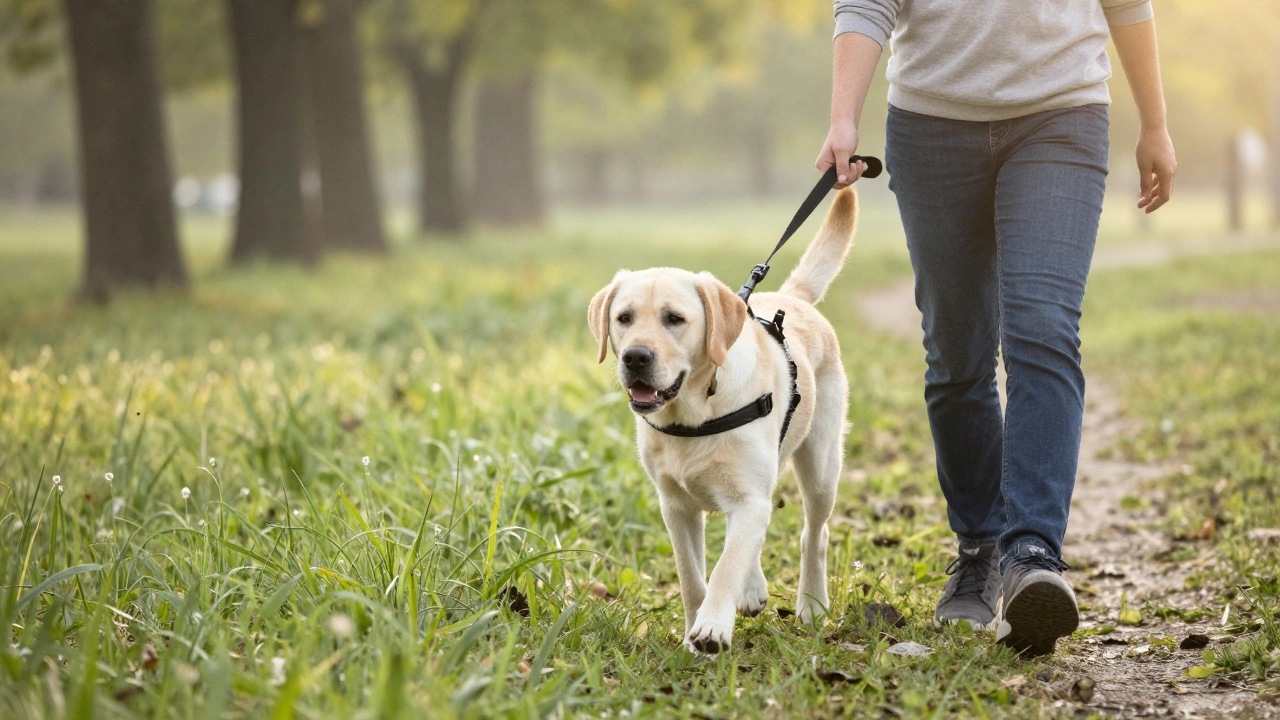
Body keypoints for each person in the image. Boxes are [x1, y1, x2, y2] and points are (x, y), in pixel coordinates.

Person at [818, 0, 1176, 656]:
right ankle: (979, 549)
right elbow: (867, 4)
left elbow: (1126, 3)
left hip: (1062, 113)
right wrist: (843, 116)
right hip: (931, 126)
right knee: (957, 349)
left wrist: (1155, 123)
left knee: (1044, 325)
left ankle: (1032, 553)